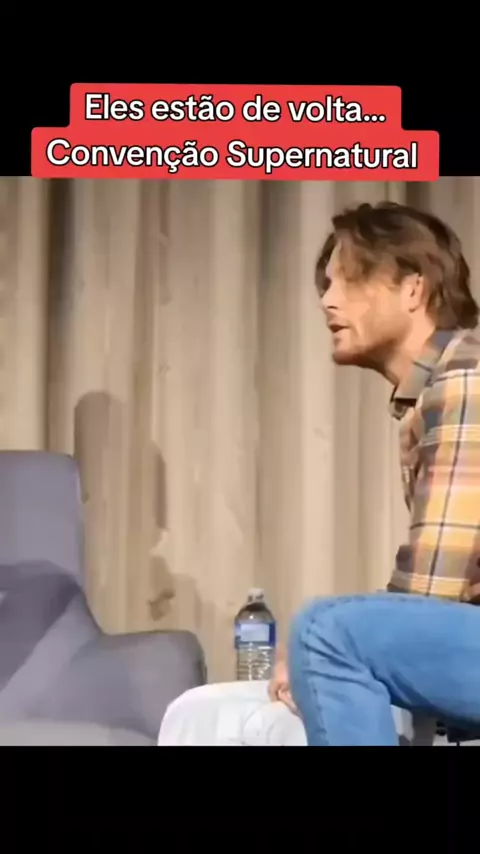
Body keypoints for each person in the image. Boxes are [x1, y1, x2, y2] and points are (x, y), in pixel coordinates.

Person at [158, 201, 480, 746]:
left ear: (413, 289)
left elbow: (432, 593)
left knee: (325, 629)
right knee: (210, 704)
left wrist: (320, 646)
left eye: (348, 280)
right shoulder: (437, 387)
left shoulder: (465, 378)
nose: (328, 300)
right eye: (326, 286)